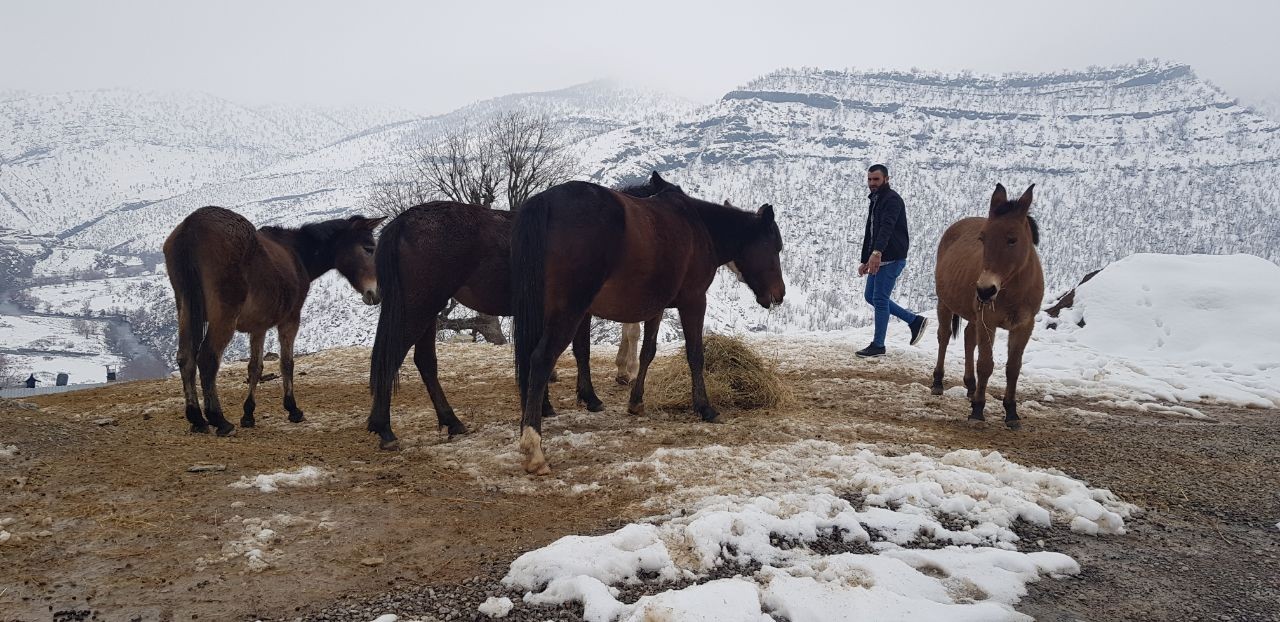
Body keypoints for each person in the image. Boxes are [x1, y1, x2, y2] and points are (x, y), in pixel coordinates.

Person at [856, 164, 928, 357]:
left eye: (876, 179)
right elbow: (870, 231)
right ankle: (914, 321)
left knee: (879, 299)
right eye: (870, 179)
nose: (872, 183)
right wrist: (866, 259)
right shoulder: (876, 199)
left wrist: (877, 253)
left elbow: (886, 228)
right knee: (871, 296)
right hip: (878, 258)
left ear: (886, 179)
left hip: (891, 258)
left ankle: (878, 345)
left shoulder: (892, 200)